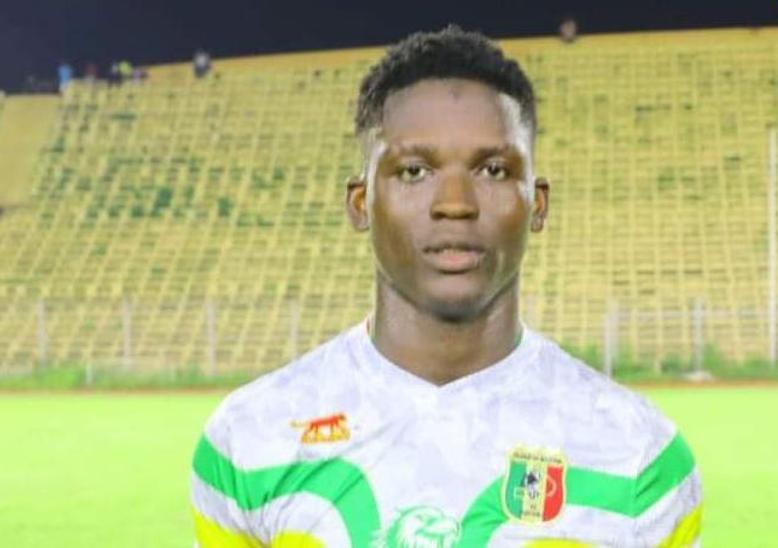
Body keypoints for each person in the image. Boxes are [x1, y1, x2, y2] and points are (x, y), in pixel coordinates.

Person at [189, 27, 702, 546]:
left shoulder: (639, 457)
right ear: (360, 201)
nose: (454, 202)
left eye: (493, 169)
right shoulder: (252, 440)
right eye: (414, 171)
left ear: (537, 204)